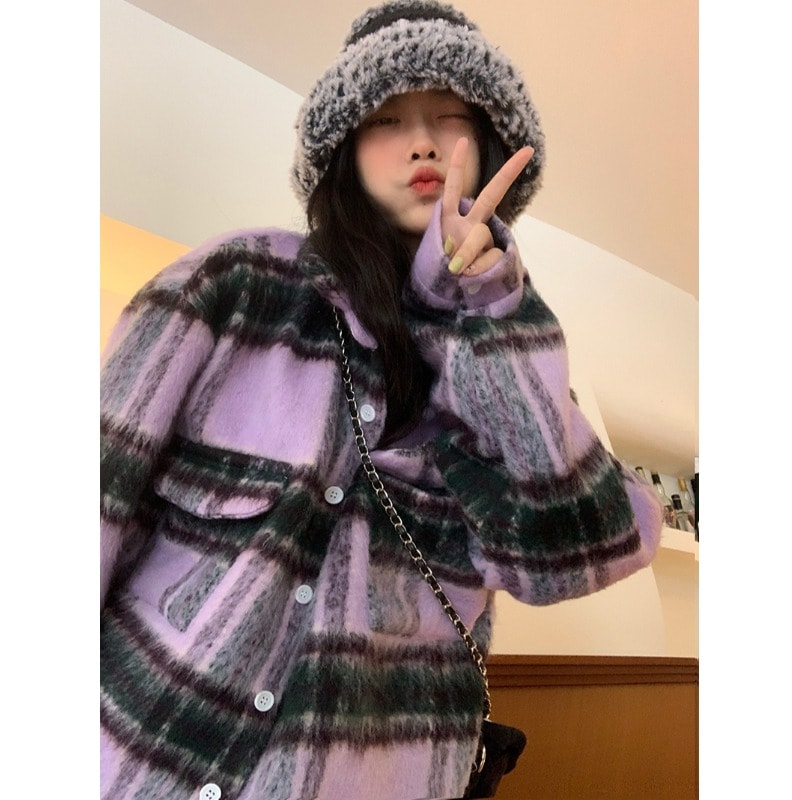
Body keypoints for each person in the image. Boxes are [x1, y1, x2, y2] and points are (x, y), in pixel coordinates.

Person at [100, 2, 663, 799]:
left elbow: (578, 553)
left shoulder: (511, 371)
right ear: (343, 149)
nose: (423, 142)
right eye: (388, 118)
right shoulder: (232, 284)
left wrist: (483, 311)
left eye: (450, 117)